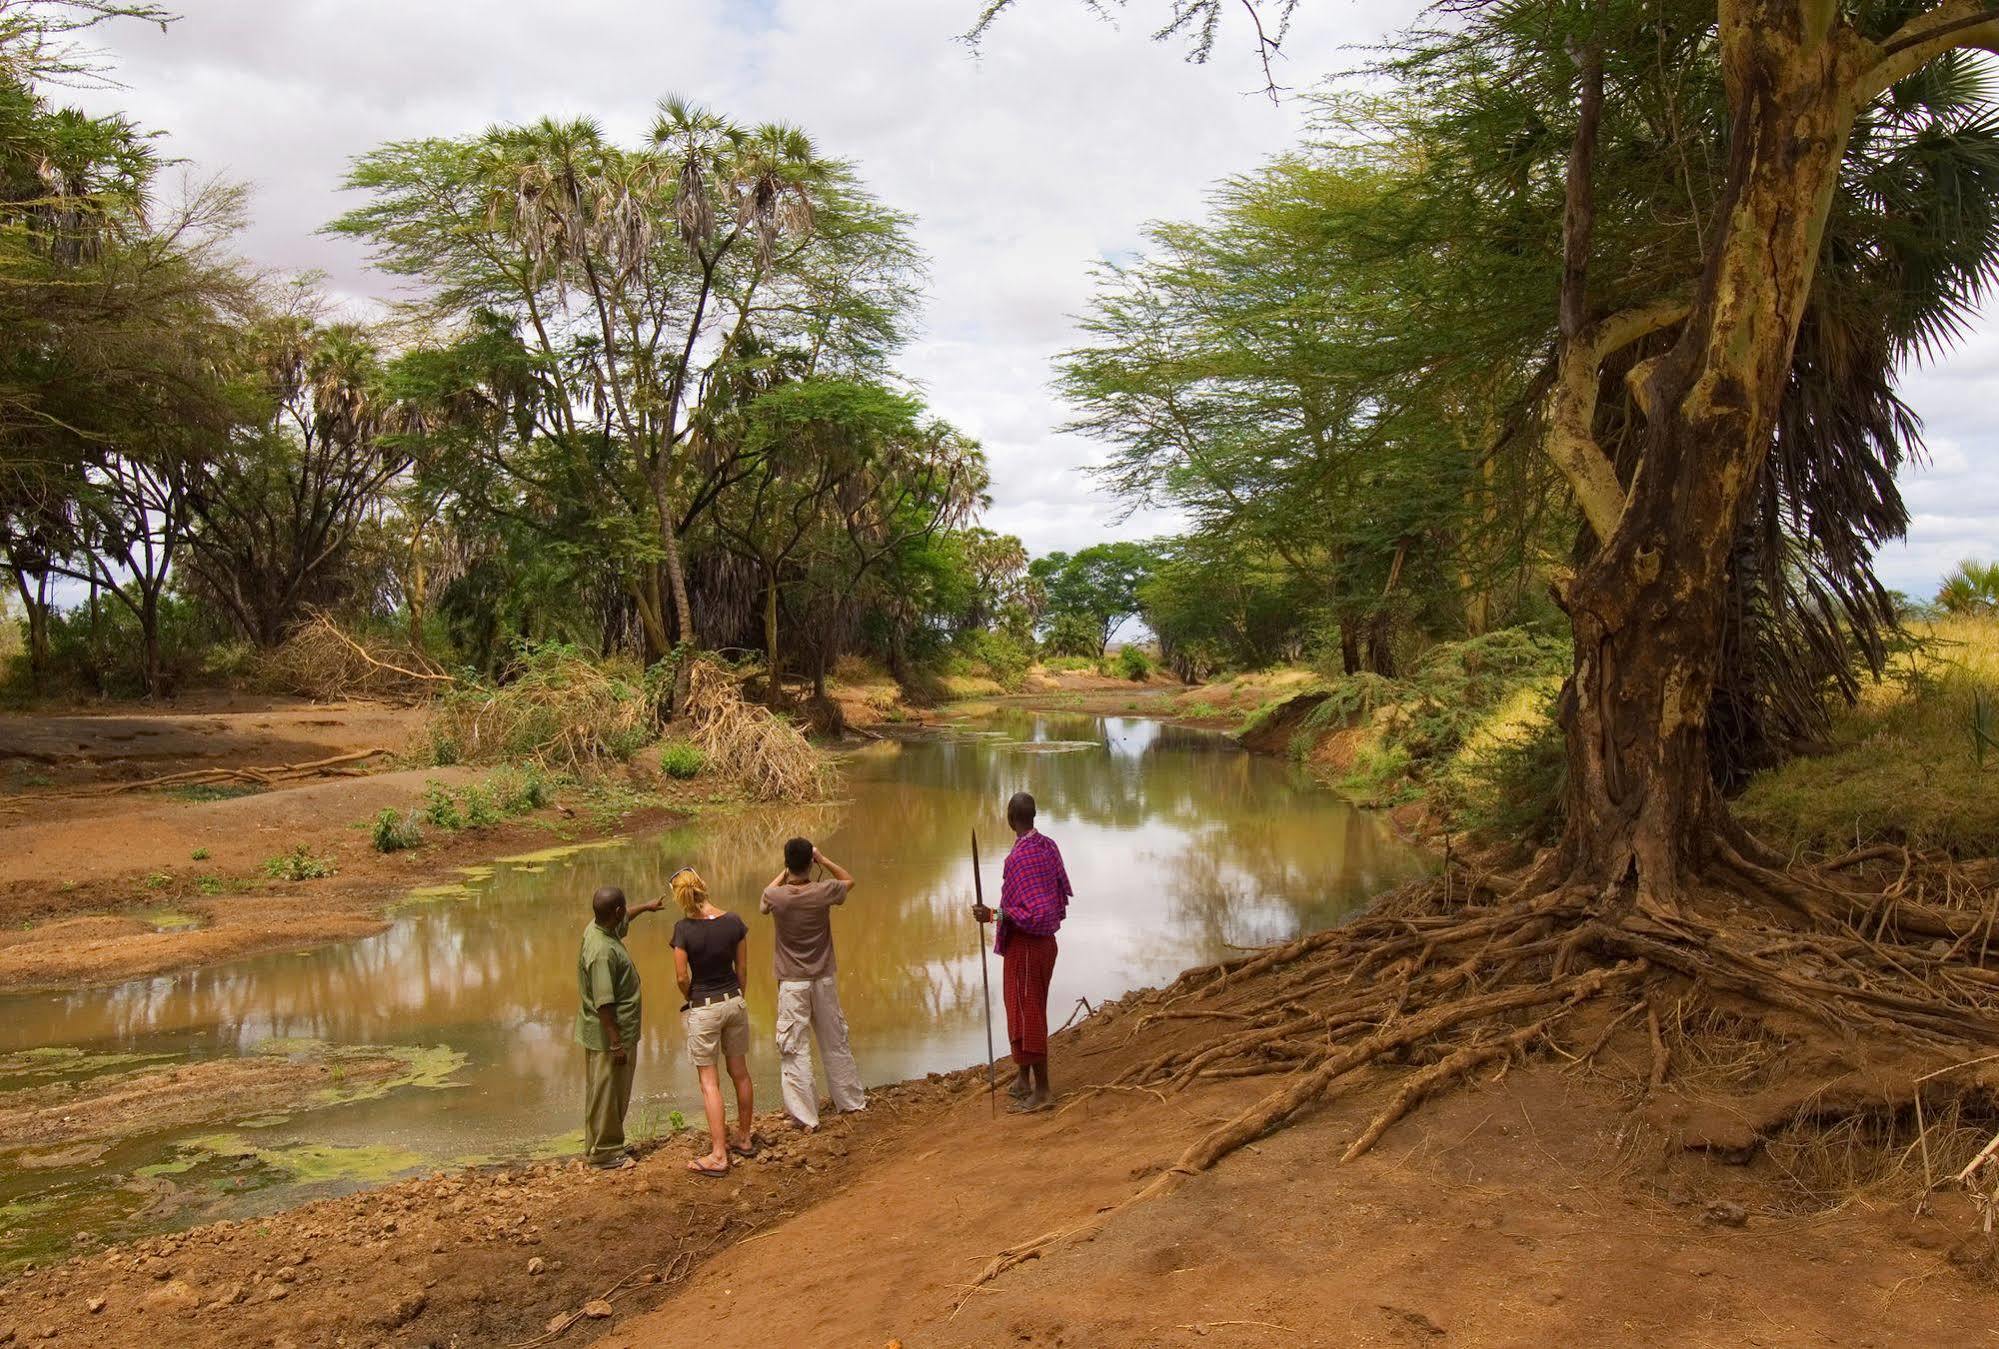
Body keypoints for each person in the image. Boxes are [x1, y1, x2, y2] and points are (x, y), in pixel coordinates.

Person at [972, 791, 1071, 1113]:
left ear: (1009, 818)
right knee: (1021, 1008)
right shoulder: (1048, 846)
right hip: (1043, 945)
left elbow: (1021, 913)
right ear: (1034, 815)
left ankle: (1043, 1091)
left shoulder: (1018, 859)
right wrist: (995, 915)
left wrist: (991, 915)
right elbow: (1047, 901)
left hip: (1028, 946)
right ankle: (1023, 1079)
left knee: (1028, 1015)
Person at [760, 837, 867, 1131]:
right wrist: (824, 860)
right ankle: (851, 1102)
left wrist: (784, 872)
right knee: (835, 1041)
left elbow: (763, 900)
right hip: (823, 979)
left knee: (794, 1048)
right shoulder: (824, 890)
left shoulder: (776, 896)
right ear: (810, 862)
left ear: (786, 863)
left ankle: (806, 1116)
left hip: (793, 983)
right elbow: (849, 881)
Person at [668, 867, 756, 1177]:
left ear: (679, 897)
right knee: (740, 1072)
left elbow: (681, 976)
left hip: (704, 1006)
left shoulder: (683, 930)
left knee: (709, 1082)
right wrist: (737, 997)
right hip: (734, 1000)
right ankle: (744, 1139)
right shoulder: (734, 922)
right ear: (704, 888)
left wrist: (691, 995)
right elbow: (742, 969)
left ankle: (719, 1154)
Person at [576, 884, 666, 1170]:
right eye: (624, 909)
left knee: (603, 1090)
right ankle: (605, 1152)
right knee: (610, 1092)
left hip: (606, 1033)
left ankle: (599, 1144)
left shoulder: (598, 926)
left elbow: (625, 917)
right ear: (616, 913)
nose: (627, 913)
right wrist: (615, 1042)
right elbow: (604, 1003)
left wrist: (647, 907)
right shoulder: (602, 951)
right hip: (610, 1035)